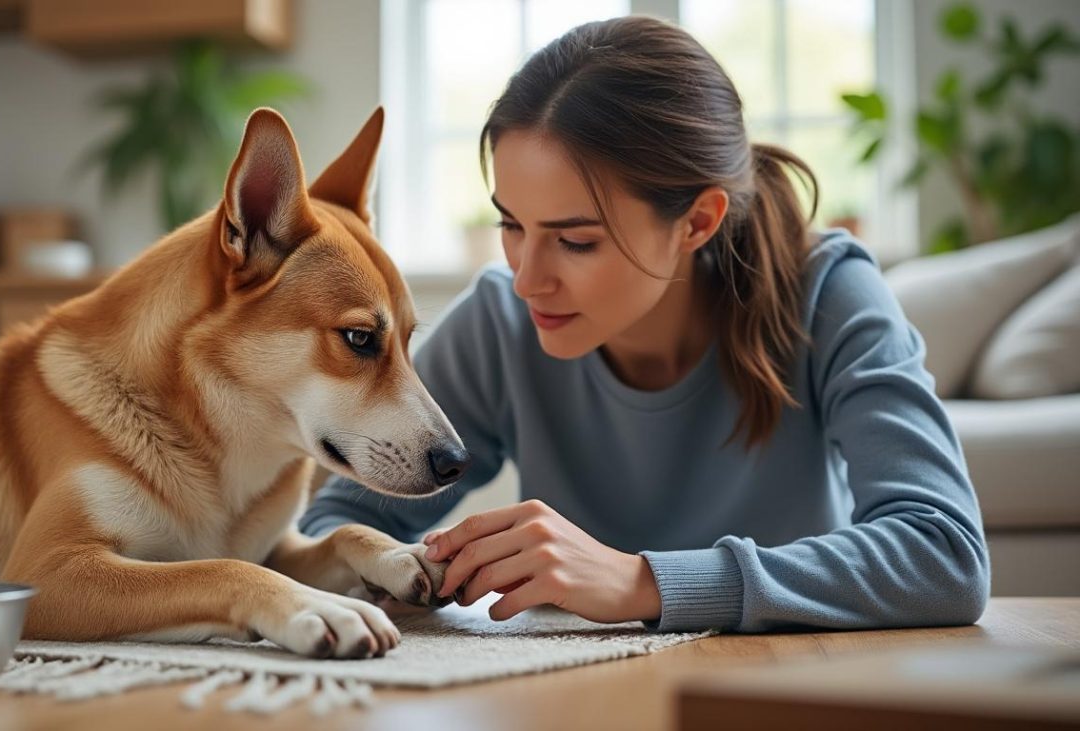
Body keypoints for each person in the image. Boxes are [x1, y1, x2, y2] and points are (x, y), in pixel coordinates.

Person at [299, 15, 990, 633]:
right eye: (512, 224)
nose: (526, 277)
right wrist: (414, 568)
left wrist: (641, 581)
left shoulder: (831, 293)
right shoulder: (501, 320)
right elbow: (330, 526)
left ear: (697, 221)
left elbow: (944, 552)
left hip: (792, 692)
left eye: (575, 240)